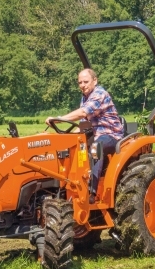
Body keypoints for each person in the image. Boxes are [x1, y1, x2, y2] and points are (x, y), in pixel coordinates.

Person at [46, 69, 123, 201]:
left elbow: (83, 113)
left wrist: (58, 119)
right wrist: (65, 139)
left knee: (95, 148)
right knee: (69, 146)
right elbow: (83, 124)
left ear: (95, 81)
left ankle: (91, 192)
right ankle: (65, 186)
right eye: (80, 82)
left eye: (86, 81)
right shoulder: (85, 97)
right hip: (93, 133)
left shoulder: (100, 94)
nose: (82, 85)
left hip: (111, 134)